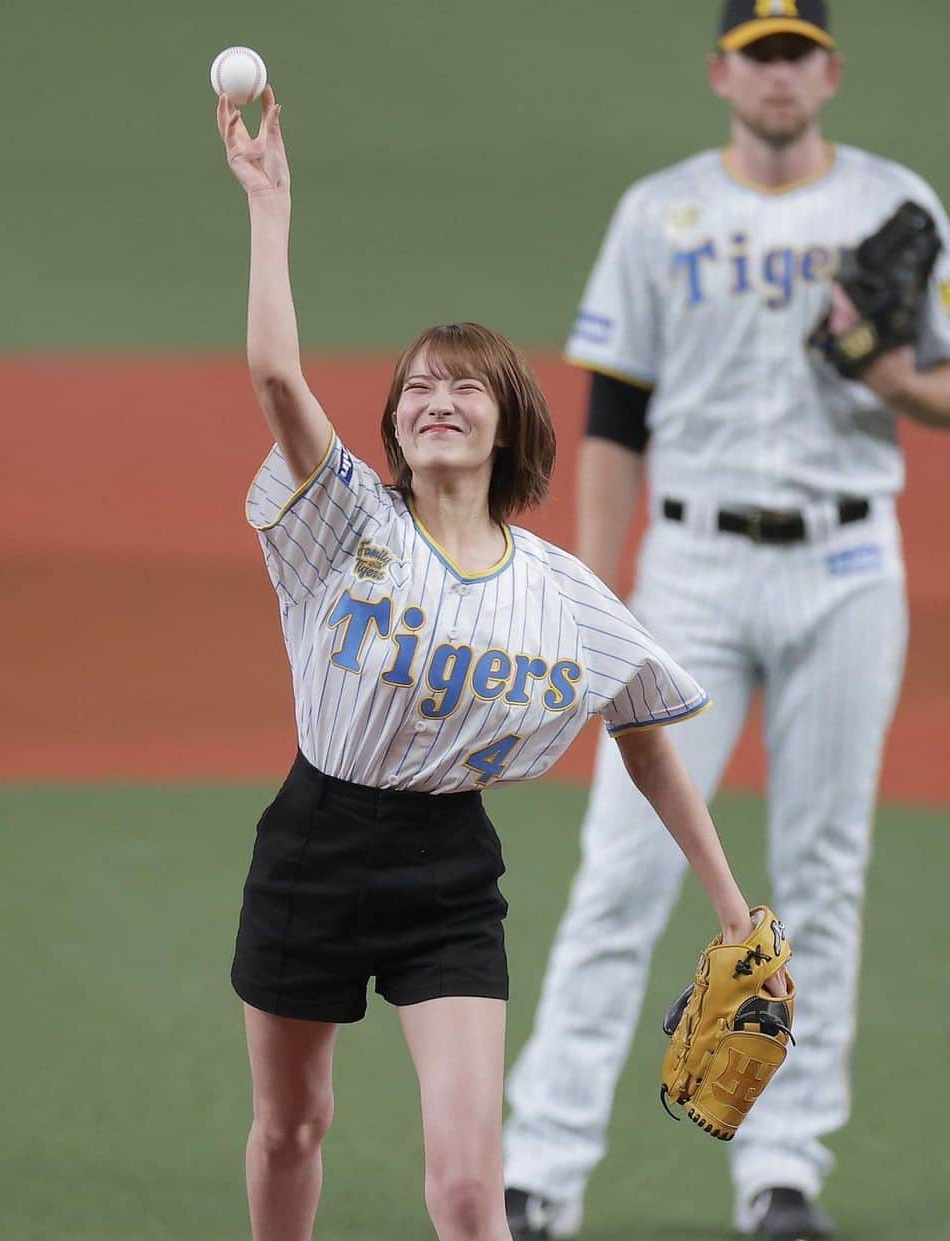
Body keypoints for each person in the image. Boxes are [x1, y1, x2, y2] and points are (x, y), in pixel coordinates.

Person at [215, 83, 786, 1241]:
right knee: (293, 1125)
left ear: (507, 422)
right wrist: (268, 205)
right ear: (395, 425)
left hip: (448, 876)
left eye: (463, 384)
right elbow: (279, 378)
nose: (436, 398)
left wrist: (735, 913)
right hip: (315, 844)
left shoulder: (566, 593)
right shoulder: (347, 525)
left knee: (474, 1190)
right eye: (417, 386)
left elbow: (648, 738)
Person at [502, 3, 950, 1240]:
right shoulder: (659, 213)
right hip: (687, 568)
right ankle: (538, 1171)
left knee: (822, 872)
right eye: (758, 56)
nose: (779, 75)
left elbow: (942, 388)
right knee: (623, 868)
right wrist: (590, 599)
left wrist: (892, 374)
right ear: (721, 75)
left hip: (849, 562)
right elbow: (612, 415)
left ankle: (783, 1174)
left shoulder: (894, 202)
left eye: (797, 52)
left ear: (832, 72)